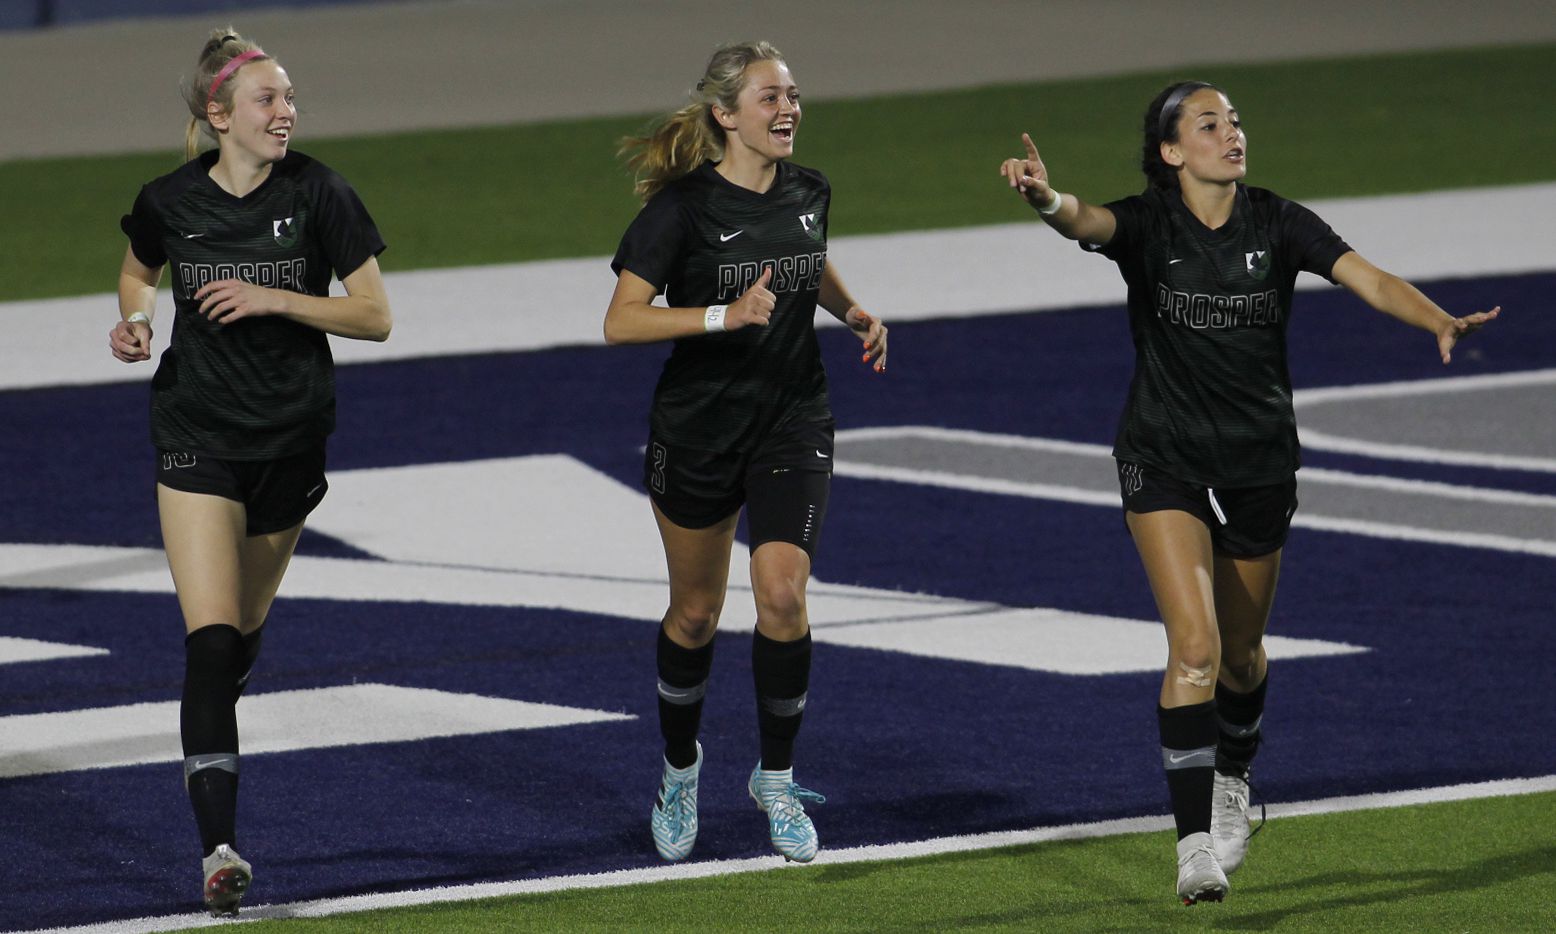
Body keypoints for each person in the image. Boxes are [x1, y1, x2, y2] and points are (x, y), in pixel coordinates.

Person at [998, 81, 1498, 905]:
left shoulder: (1279, 221)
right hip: (1163, 458)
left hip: (1261, 464)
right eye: (1209, 124)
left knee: (1240, 655)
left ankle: (1234, 776)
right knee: (1192, 648)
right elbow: (1085, 222)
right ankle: (1193, 843)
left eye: (1233, 121)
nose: (1231, 133)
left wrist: (1435, 319)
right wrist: (1046, 195)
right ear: (1171, 151)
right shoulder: (1151, 224)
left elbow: (1367, 277)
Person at [109, 27, 391, 916]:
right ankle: (218, 850)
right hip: (196, 434)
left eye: (290, 97)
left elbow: (376, 315)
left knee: (239, 646)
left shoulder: (321, 193)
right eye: (268, 100)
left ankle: (212, 713)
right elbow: (135, 267)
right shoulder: (168, 199)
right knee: (213, 641)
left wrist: (274, 296)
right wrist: (135, 321)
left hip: (291, 443)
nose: (286, 112)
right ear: (217, 115)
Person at [605, 40, 887, 864]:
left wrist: (852, 309)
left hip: (792, 419)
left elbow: (808, 259)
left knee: (783, 595)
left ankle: (776, 778)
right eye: (769, 98)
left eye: (793, 94)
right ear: (726, 115)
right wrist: (722, 317)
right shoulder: (681, 209)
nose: (788, 109)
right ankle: (681, 769)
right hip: (698, 429)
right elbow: (621, 319)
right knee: (695, 614)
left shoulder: (809, 190)